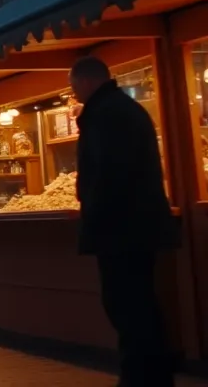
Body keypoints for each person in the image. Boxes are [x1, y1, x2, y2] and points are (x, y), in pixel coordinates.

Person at [71, 56, 177, 386]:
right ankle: (152, 374)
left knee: (127, 305)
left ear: (87, 82)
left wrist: (94, 212)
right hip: (136, 226)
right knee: (139, 303)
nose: (73, 93)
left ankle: (141, 377)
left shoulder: (106, 116)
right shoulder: (123, 110)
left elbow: (109, 174)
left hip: (120, 229)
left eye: (74, 86)